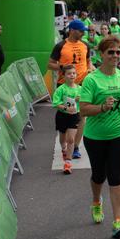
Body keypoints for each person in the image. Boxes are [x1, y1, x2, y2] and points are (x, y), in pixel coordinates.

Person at [78, 36, 120, 239]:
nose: (115, 55)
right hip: (95, 136)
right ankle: (96, 201)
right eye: (110, 52)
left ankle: (118, 221)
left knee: (116, 176)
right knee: (99, 175)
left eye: (117, 52)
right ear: (101, 54)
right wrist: (102, 107)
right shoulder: (92, 79)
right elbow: (84, 110)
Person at [48, 19, 92, 159]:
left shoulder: (85, 45)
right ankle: (66, 143)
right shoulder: (61, 46)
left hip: (82, 86)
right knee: (68, 115)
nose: (83, 33)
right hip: (65, 87)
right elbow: (50, 65)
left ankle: (76, 147)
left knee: (81, 116)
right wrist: (62, 67)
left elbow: (88, 60)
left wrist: (90, 69)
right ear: (72, 30)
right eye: (81, 31)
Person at [52, 64, 82, 175]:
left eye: (74, 73)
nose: (72, 75)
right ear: (64, 76)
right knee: (62, 138)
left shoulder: (80, 89)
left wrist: (81, 99)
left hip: (74, 116)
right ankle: (63, 149)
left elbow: (86, 100)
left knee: (71, 139)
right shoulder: (61, 89)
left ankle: (68, 163)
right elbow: (55, 103)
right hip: (62, 116)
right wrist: (66, 108)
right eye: (69, 73)